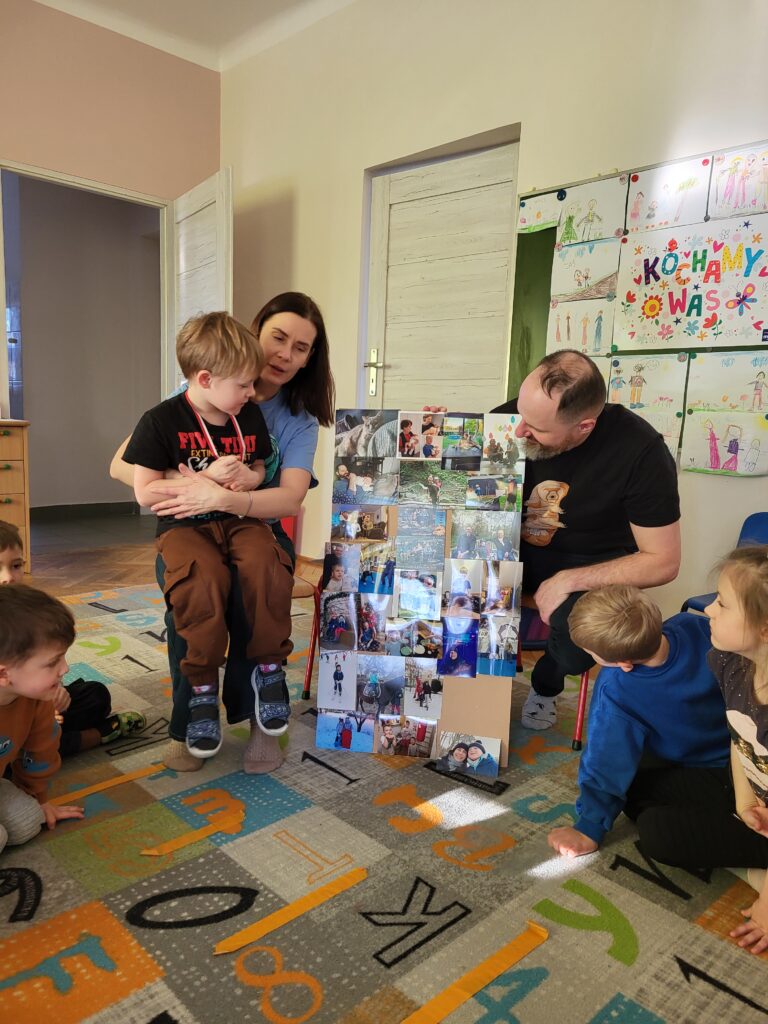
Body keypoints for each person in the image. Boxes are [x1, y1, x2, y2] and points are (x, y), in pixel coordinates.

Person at [111, 292, 334, 774]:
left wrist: (232, 494)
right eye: (278, 338)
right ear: (256, 333)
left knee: (261, 585)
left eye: (300, 348)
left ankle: (260, 719)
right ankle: (190, 717)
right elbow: (123, 468)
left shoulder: (294, 419)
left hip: (255, 525)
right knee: (194, 597)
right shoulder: (192, 394)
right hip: (187, 524)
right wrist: (199, 485)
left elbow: (288, 498)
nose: (285, 354)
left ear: (309, 358)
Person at [492, 350, 680, 730]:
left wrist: (569, 580)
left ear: (584, 426)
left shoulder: (641, 452)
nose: (519, 430)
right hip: (509, 552)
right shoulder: (511, 418)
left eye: (536, 427)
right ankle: (474, 693)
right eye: (520, 413)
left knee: (582, 641)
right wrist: (439, 444)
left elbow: (663, 561)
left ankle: (546, 682)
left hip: (589, 567)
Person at [616, 548, 768, 955]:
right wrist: (744, 802)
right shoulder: (730, 661)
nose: (709, 610)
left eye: (723, 604)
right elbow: (739, 737)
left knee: (659, 834)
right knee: (635, 783)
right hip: (754, 793)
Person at [546, 585, 729, 860]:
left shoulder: (616, 688)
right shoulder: (693, 625)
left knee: (632, 794)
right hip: (737, 752)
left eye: (591, 654)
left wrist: (589, 827)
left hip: (710, 769)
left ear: (624, 662)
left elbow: (606, 760)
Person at [0, 521, 145, 755]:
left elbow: (42, 665)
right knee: (31, 743)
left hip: (30, 702)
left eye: (16, 565)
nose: (8, 577)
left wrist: (55, 693)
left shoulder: (29, 608)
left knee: (95, 695)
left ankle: (42, 743)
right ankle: (93, 736)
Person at [0, 585, 85, 853]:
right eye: (52, 662)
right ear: (3, 674)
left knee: (28, 821)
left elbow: (41, 750)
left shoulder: (37, 699)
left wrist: (38, 798)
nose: (65, 668)